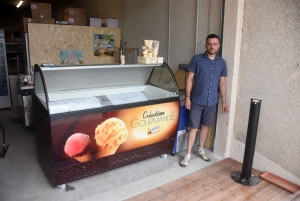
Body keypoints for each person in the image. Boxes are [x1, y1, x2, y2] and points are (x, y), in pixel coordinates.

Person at [180, 34, 229, 167]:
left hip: (212, 101)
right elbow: (189, 78)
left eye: (214, 44)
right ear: (205, 45)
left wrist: (224, 101)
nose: (212, 46)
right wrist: (188, 97)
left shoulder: (221, 63)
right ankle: (188, 154)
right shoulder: (197, 59)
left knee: (205, 126)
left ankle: (200, 149)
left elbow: (222, 83)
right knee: (194, 127)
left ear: (218, 46)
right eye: (209, 44)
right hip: (196, 99)